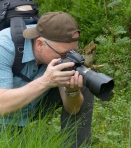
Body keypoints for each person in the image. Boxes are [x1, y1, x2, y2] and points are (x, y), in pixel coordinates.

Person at [0, 11, 94, 147]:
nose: (66, 58)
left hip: (31, 104)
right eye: (62, 54)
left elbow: (73, 109)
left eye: (72, 53)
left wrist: (72, 91)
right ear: (39, 44)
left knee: (84, 84)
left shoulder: (58, 53)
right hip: (5, 109)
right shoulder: (4, 47)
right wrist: (45, 81)